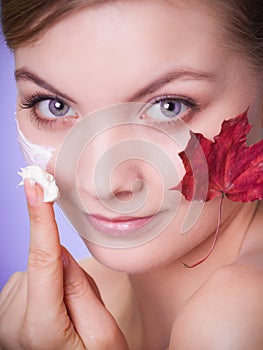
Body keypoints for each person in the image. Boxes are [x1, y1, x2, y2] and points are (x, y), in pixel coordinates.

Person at [1, 0, 263, 349]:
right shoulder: (61, 309)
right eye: (54, 106)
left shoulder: (235, 319)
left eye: (169, 107)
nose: (101, 183)